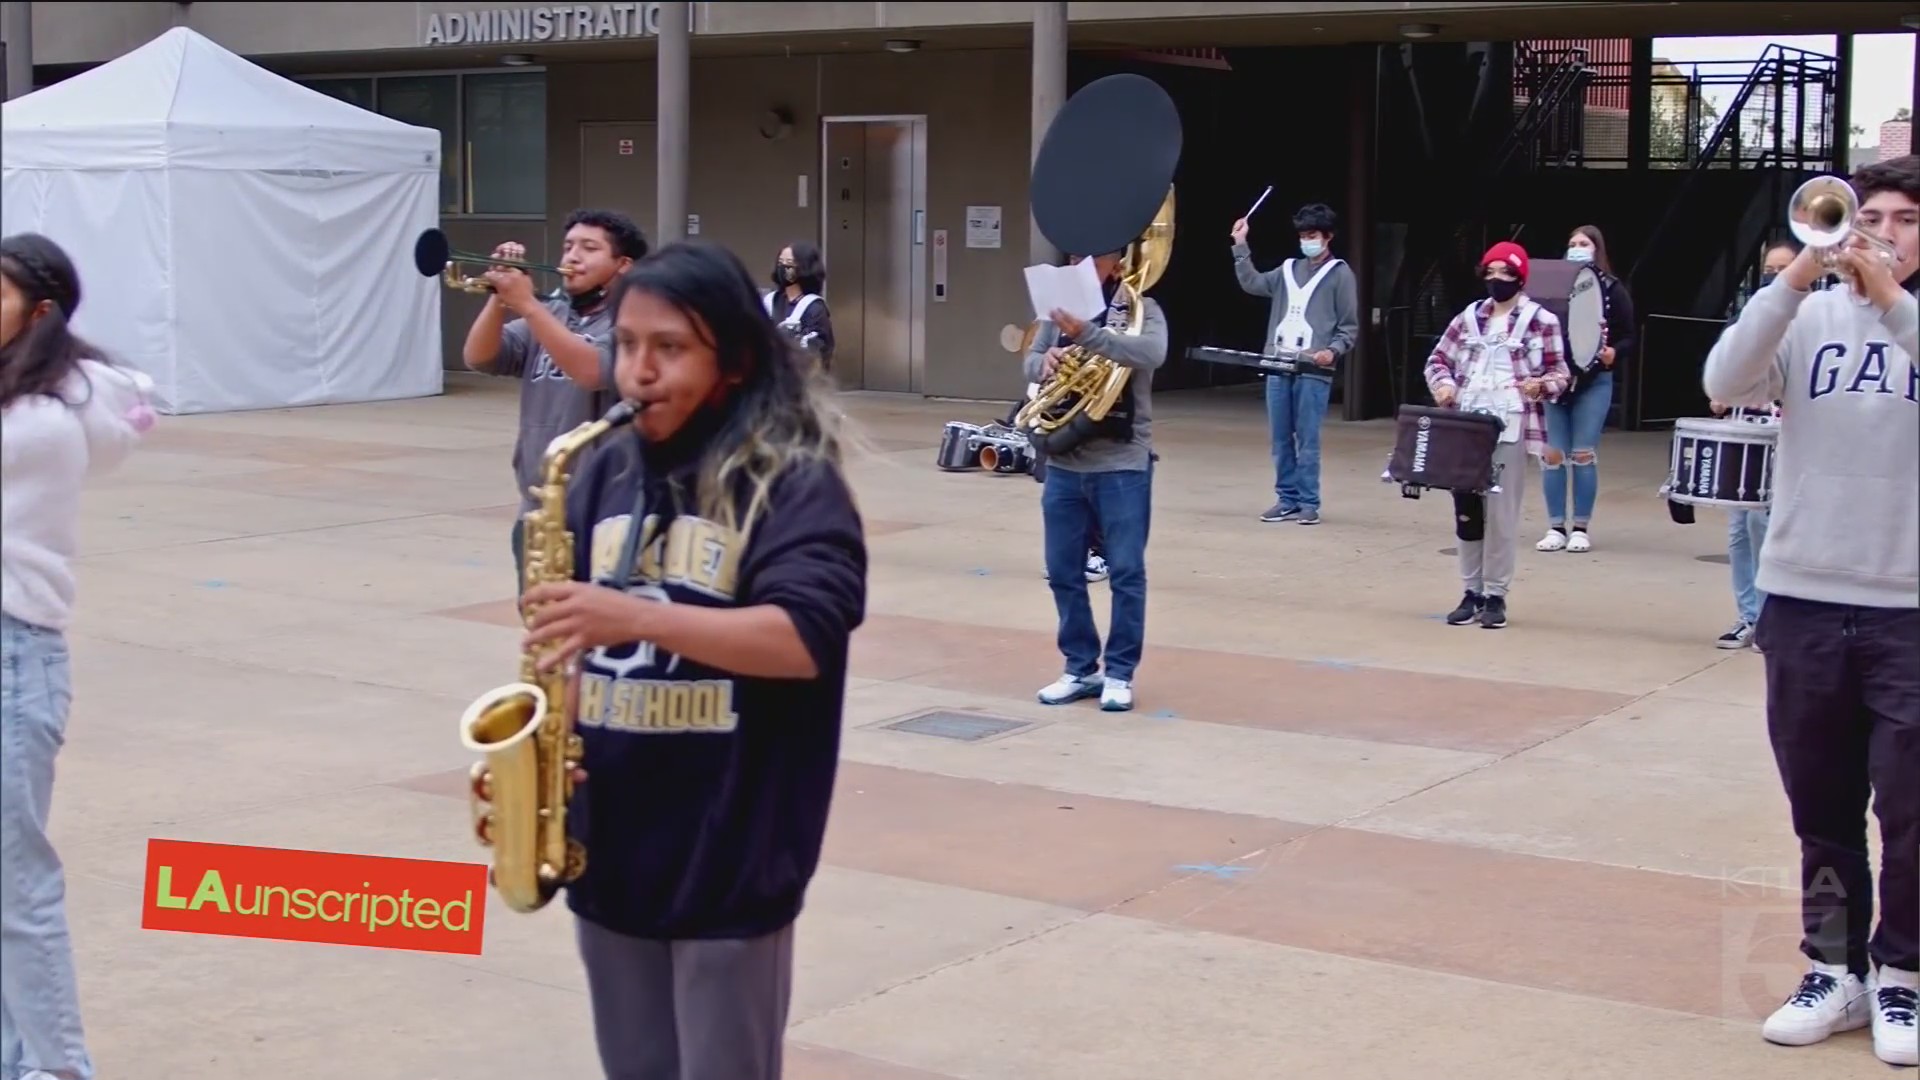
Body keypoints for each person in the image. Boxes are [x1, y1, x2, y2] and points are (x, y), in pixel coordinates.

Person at [517, 241, 867, 1080]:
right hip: (611, 852)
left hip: (728, 858)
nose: (637, 371)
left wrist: (633, 615)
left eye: (669, 349)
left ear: (735, 362)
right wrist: (541, 750)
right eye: (628, 345)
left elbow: (803, 639)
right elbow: (568, 636)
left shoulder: (790, 483)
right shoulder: (596, 469)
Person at [1702, 154, 1919, 1068]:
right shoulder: (1805, 314)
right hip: (1803, 598)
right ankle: (1834, 968)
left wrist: (1892, 303)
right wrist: (1797, 274)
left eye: (1905, 219)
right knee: (1821, 810)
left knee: (1911, 811)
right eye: (1868, 213)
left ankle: (1904, 978)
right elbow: (1723, 378)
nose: (1880, 230)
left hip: (1909, 605)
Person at [1, 232, 158, 1080]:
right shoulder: (49, 394)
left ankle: (56, 1069)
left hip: (13, 656)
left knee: (16, 890)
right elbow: (129, 398)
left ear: (42, 311)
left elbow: (117, 401)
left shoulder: (38, 418)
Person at [461, 208, 650, 590]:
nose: (572, 257)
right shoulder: (553, 312)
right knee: (542, 632)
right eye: (567, 246)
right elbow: (480, 357)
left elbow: (592, 371)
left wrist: (527, 305)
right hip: (539, 509)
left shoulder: (634, 322)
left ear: (623, 265)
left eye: (589, 248)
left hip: (606, 512)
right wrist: (499, 299)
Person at [1022, 250, 1167, 711]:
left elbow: (1152, 353)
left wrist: (1089, 336)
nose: (1082, 262)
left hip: (1121, 461)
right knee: (1063, 571)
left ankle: (1119, 673)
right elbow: (1031, 358)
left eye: (1093, 255)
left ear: (1114, 261)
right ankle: (1079, 666)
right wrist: (1046, 362)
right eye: (1078, 254)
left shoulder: (1140, 306)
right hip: (1066, 458)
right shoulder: (1058, 306)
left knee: (1126, 572)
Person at [1423, 241, 1571, 630]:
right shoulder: (1468, 318)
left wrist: (1541, 386)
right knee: (1467, 511)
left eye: (1504, 273)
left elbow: (1561, 373)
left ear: (1519, 277)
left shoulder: (1542, 321)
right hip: (1466, 425)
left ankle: (1496, 594)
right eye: (1489, 273)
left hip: (1511, 426)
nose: (1495, 281)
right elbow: (1438, 359)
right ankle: (1470, 590)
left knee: (1502, 515)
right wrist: (1443, 386)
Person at [1230, 203, 1361, 525]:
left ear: (1328, 236)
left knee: (1308, 437)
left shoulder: (1340, 274)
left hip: (1314, 369)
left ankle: (1308, 502)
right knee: (1279, 437)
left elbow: (1348, 325)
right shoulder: (1288, 270)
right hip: (1279, 363)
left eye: (1313, 235)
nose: (1307, 241)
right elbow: (1253, 283)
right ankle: (1286, 498)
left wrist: (1333, 350)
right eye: (1303, 235)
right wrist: (1240, 245)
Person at [1706, 238, 1802, 649]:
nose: (1774, 277)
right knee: (1738, 532)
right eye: (1769, 269)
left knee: (1764, 528)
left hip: (1781, 437)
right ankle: (1748, 615)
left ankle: (1769, 617)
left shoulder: (1807, 323)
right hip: (1746, 435)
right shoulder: (1751, 322)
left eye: (1784, 270)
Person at [1535, 225, 1637, 553]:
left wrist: (1613, 353)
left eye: (1584, 243)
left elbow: (1629, 335)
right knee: (1552, 455)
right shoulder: (1551, 289)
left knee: (1582, 454)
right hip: (1555, 381)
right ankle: (1555, 526)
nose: (1577, 247)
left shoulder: (1611, 288)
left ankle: (1580, 525)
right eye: (1572, 243)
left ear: (1597, 249)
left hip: (1593, 381)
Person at [763, 241, 835, 372]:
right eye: (780, 262)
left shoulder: (814, 307)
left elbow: (820, 350)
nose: (783, 267)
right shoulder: (770, 300)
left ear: (804, 267)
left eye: (789, 263)